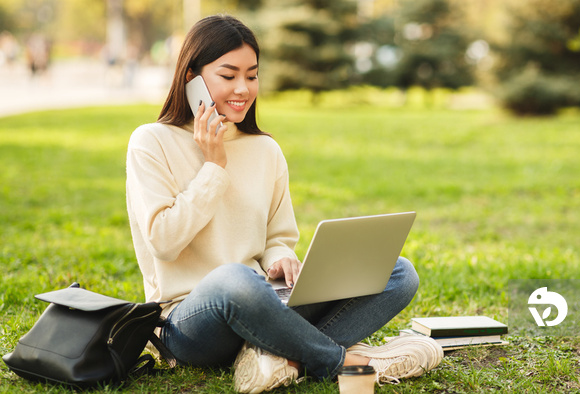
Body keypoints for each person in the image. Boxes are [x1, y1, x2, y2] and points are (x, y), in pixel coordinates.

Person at [125, 14, 443, 393]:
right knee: (234, 278)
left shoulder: (266, 150)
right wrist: (213, 167)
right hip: (189, 321)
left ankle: (277, 357)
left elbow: (277, 236)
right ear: (191, 77)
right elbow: (163, 241)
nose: (243, 88)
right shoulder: (151, 142)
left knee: (398, 272)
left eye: (252, 75)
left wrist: (279, 258)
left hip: (264, 301)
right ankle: (344, 361)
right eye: (228, 76)